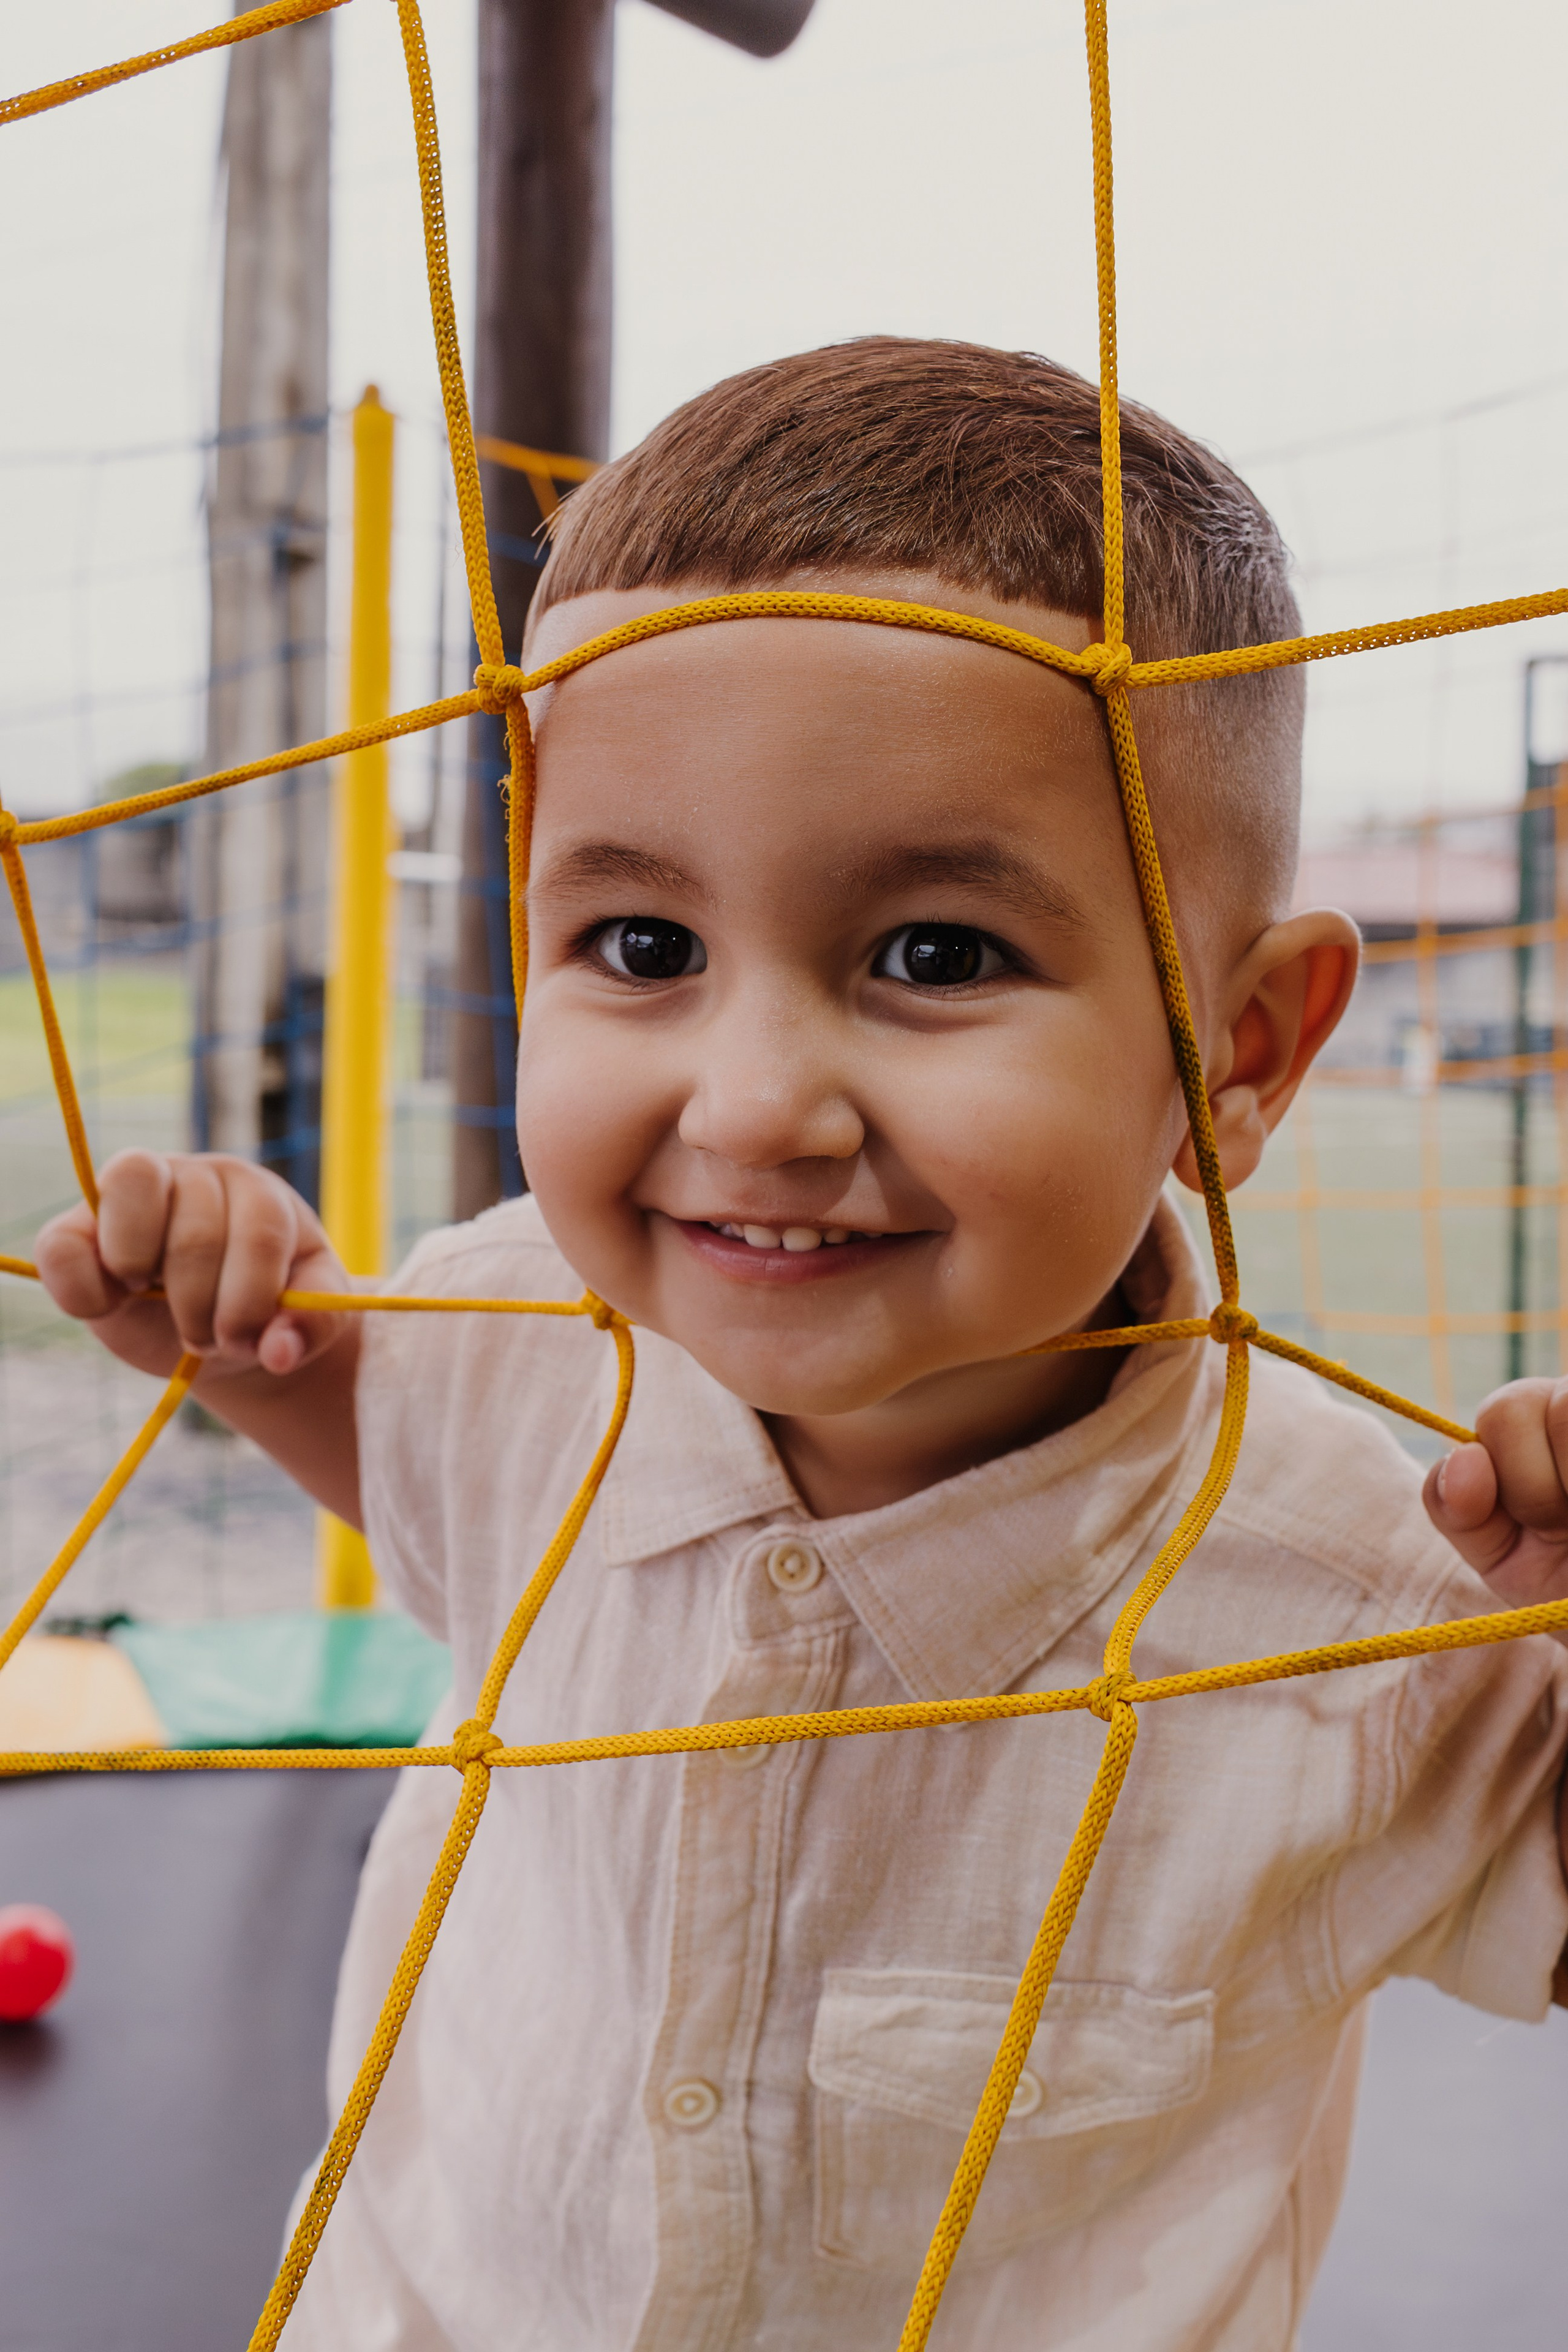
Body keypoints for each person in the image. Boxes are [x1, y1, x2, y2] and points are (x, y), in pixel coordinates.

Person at [34, 338, 1568, 2351]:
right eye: (643, 947)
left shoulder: (1367, 1618)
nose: (754, 1106)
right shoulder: (517, 1326)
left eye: (937, 955)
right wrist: (232, 1317)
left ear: (1242, 1049)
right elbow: (389, 1431)